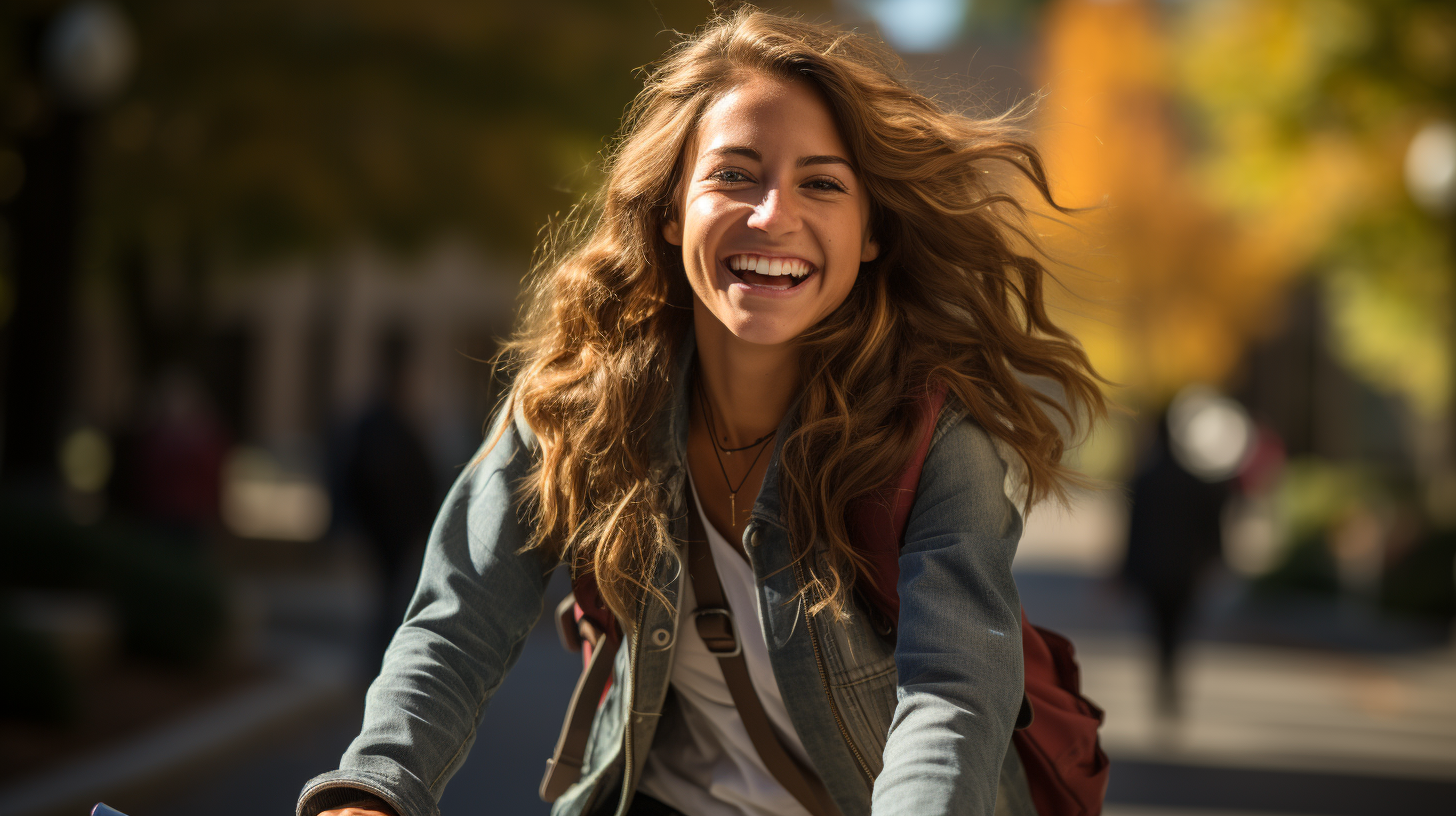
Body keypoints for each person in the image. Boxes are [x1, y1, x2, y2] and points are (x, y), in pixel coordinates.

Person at [298, 8, 1103, 816]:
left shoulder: (931, 440)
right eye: (735, 174)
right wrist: (375, 788)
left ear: (869, 233)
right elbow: (460, 618)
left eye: (821, 183)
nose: (772, 214)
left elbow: (954, 694)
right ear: (673, 206)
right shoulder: (582, 396)